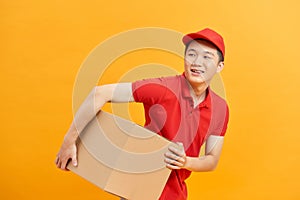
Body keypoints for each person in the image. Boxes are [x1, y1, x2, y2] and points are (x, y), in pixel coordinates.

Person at [55, 28, 229, 200]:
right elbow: (99, 94)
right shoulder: (163, 89)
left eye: (207, 57)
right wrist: (69, 142)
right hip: (138, 187)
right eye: (192, 54)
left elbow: (212, 160)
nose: (197, 62)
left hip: (176, 193)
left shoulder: (220, 108)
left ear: (219, 66)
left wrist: (185, 162)